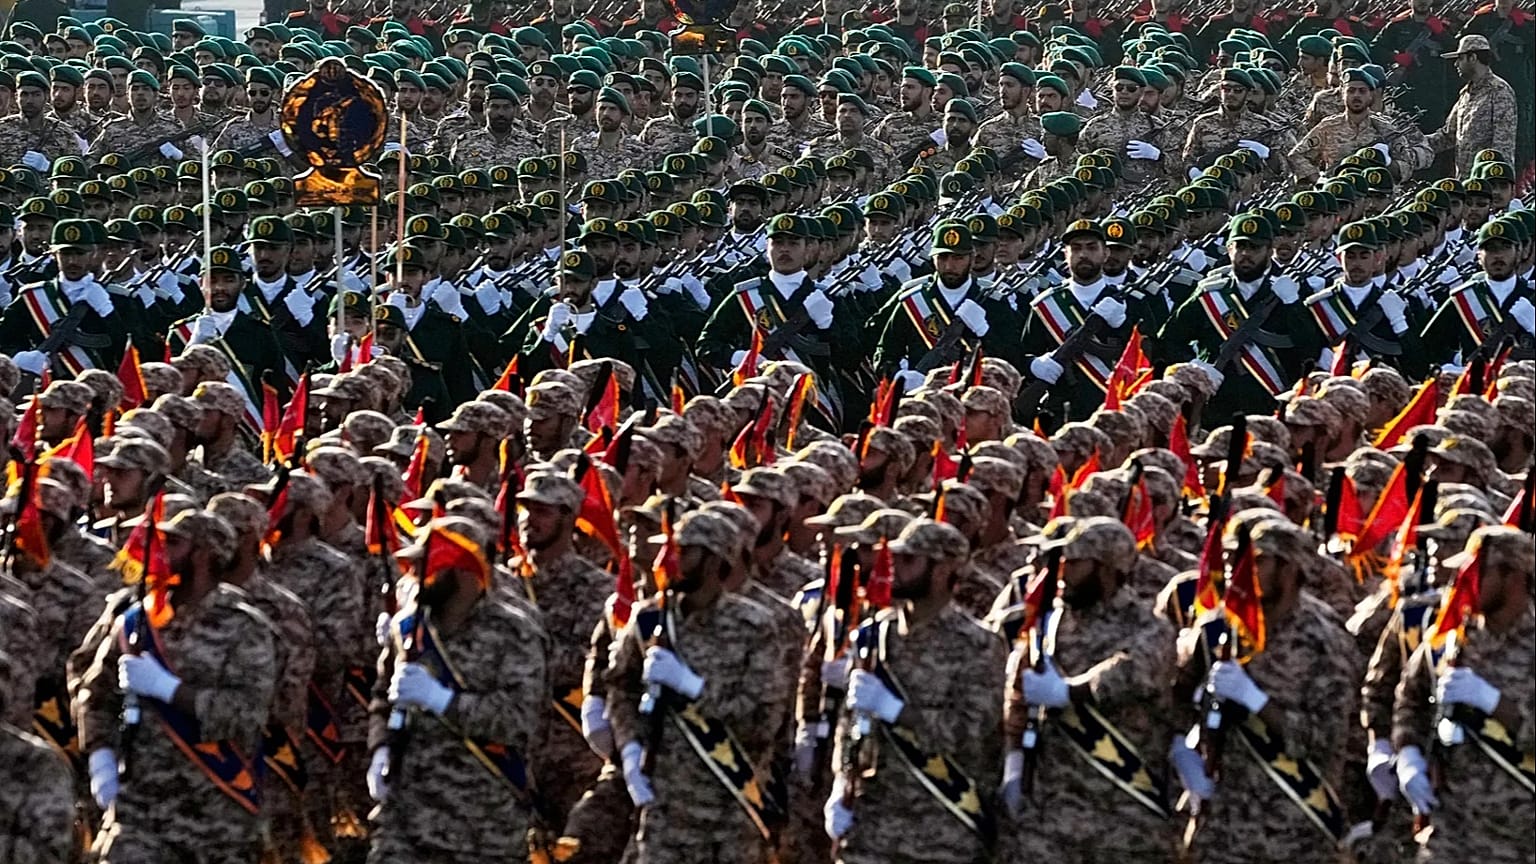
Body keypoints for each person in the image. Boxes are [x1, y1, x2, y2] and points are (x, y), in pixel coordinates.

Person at [76, 508, 277, 863]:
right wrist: (100, 756)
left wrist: (170, 690)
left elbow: (247, 713)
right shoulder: (138, 620)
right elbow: (96, 691)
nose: (160, 551)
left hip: (216, 812)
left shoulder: (244, 627)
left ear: (203, 554)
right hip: (139, 807)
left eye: (174, 543)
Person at [604, 509, 787, 864]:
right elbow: (619, 685)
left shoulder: (754, 626)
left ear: (715, 559)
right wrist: (628, 749)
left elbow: (763, 720)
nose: (669, 561)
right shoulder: (650, 619)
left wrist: (693, 687)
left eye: (684, 552)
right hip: (664, 805)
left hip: (729, 806)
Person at [367, 516, 549, 864]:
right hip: (405, 815)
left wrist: (442, 700)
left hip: (480, 821)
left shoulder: (514, 633)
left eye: (430, 566)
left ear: (464, 569)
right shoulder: (408, 626)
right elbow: (381, 694)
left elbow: (519, 719)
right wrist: (379, 748)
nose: (417, 576)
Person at [824, 518, 1005, 864]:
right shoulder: (875, 635)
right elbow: (852, 721)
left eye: (909, 561)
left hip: (939, 827)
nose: (894, 569)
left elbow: (973, 732)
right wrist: (840, 783)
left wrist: (896, 711)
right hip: (871, 823)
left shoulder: (977, 645)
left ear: (942, 571)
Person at [1001, 517, 1179, 861]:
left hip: (1122, 814)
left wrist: (1070, 692)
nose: (1063, 571)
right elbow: (1019, 696)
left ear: (1107, 570)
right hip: (1049, 815)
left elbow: (1135, 669)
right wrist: (1013, 763)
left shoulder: (1147, 625)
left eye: (1076, 563)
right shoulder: (1048, 624)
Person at [1390, 525, 1534, 864]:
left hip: (1520, 837)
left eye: (1475, 572)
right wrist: (1407, 754)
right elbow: (1410, 699)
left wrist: (1494, 703)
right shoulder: (1454, 639)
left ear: (1513, 576)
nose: (1461, 582)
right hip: (1449, 832)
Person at [1426, 35, 1519, 177]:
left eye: (1460, 58)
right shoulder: (1466, 93)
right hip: (1466, 183)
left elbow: (1502, 145)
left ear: (1473, 58)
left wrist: (1494, 181)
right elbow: (1448, 136)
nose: (1456, 64)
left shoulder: (1499, 91)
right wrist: (1413, 143)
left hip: (1487, 184)